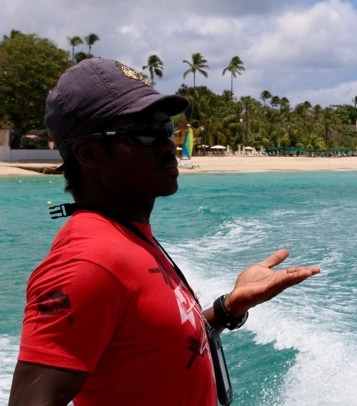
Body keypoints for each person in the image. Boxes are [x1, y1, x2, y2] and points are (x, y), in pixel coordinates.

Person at [9, 58, 320, 405]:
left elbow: (156, 346)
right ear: (89, 153)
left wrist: (228, 308)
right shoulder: (89, 262)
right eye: (143, 133)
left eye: (166, 130)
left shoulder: (128, 237)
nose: (167, 145)